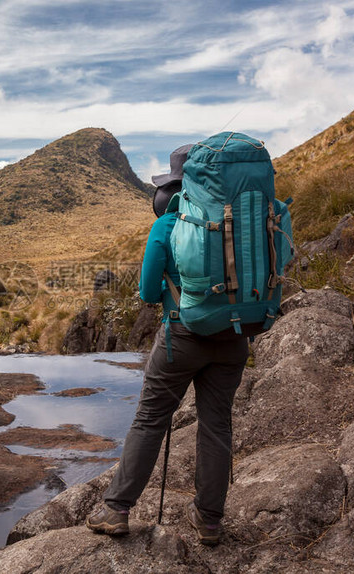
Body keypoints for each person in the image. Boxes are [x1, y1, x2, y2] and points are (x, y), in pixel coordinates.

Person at [85, 144, 249, 546]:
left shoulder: (169, 224)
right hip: (234, 337)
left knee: (150, 418)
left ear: (176, 185)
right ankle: (209, 520)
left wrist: (173, 290)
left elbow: (146, 291)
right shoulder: (244, 219)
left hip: (182, 337)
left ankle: (117, 509)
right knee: (216, 425)